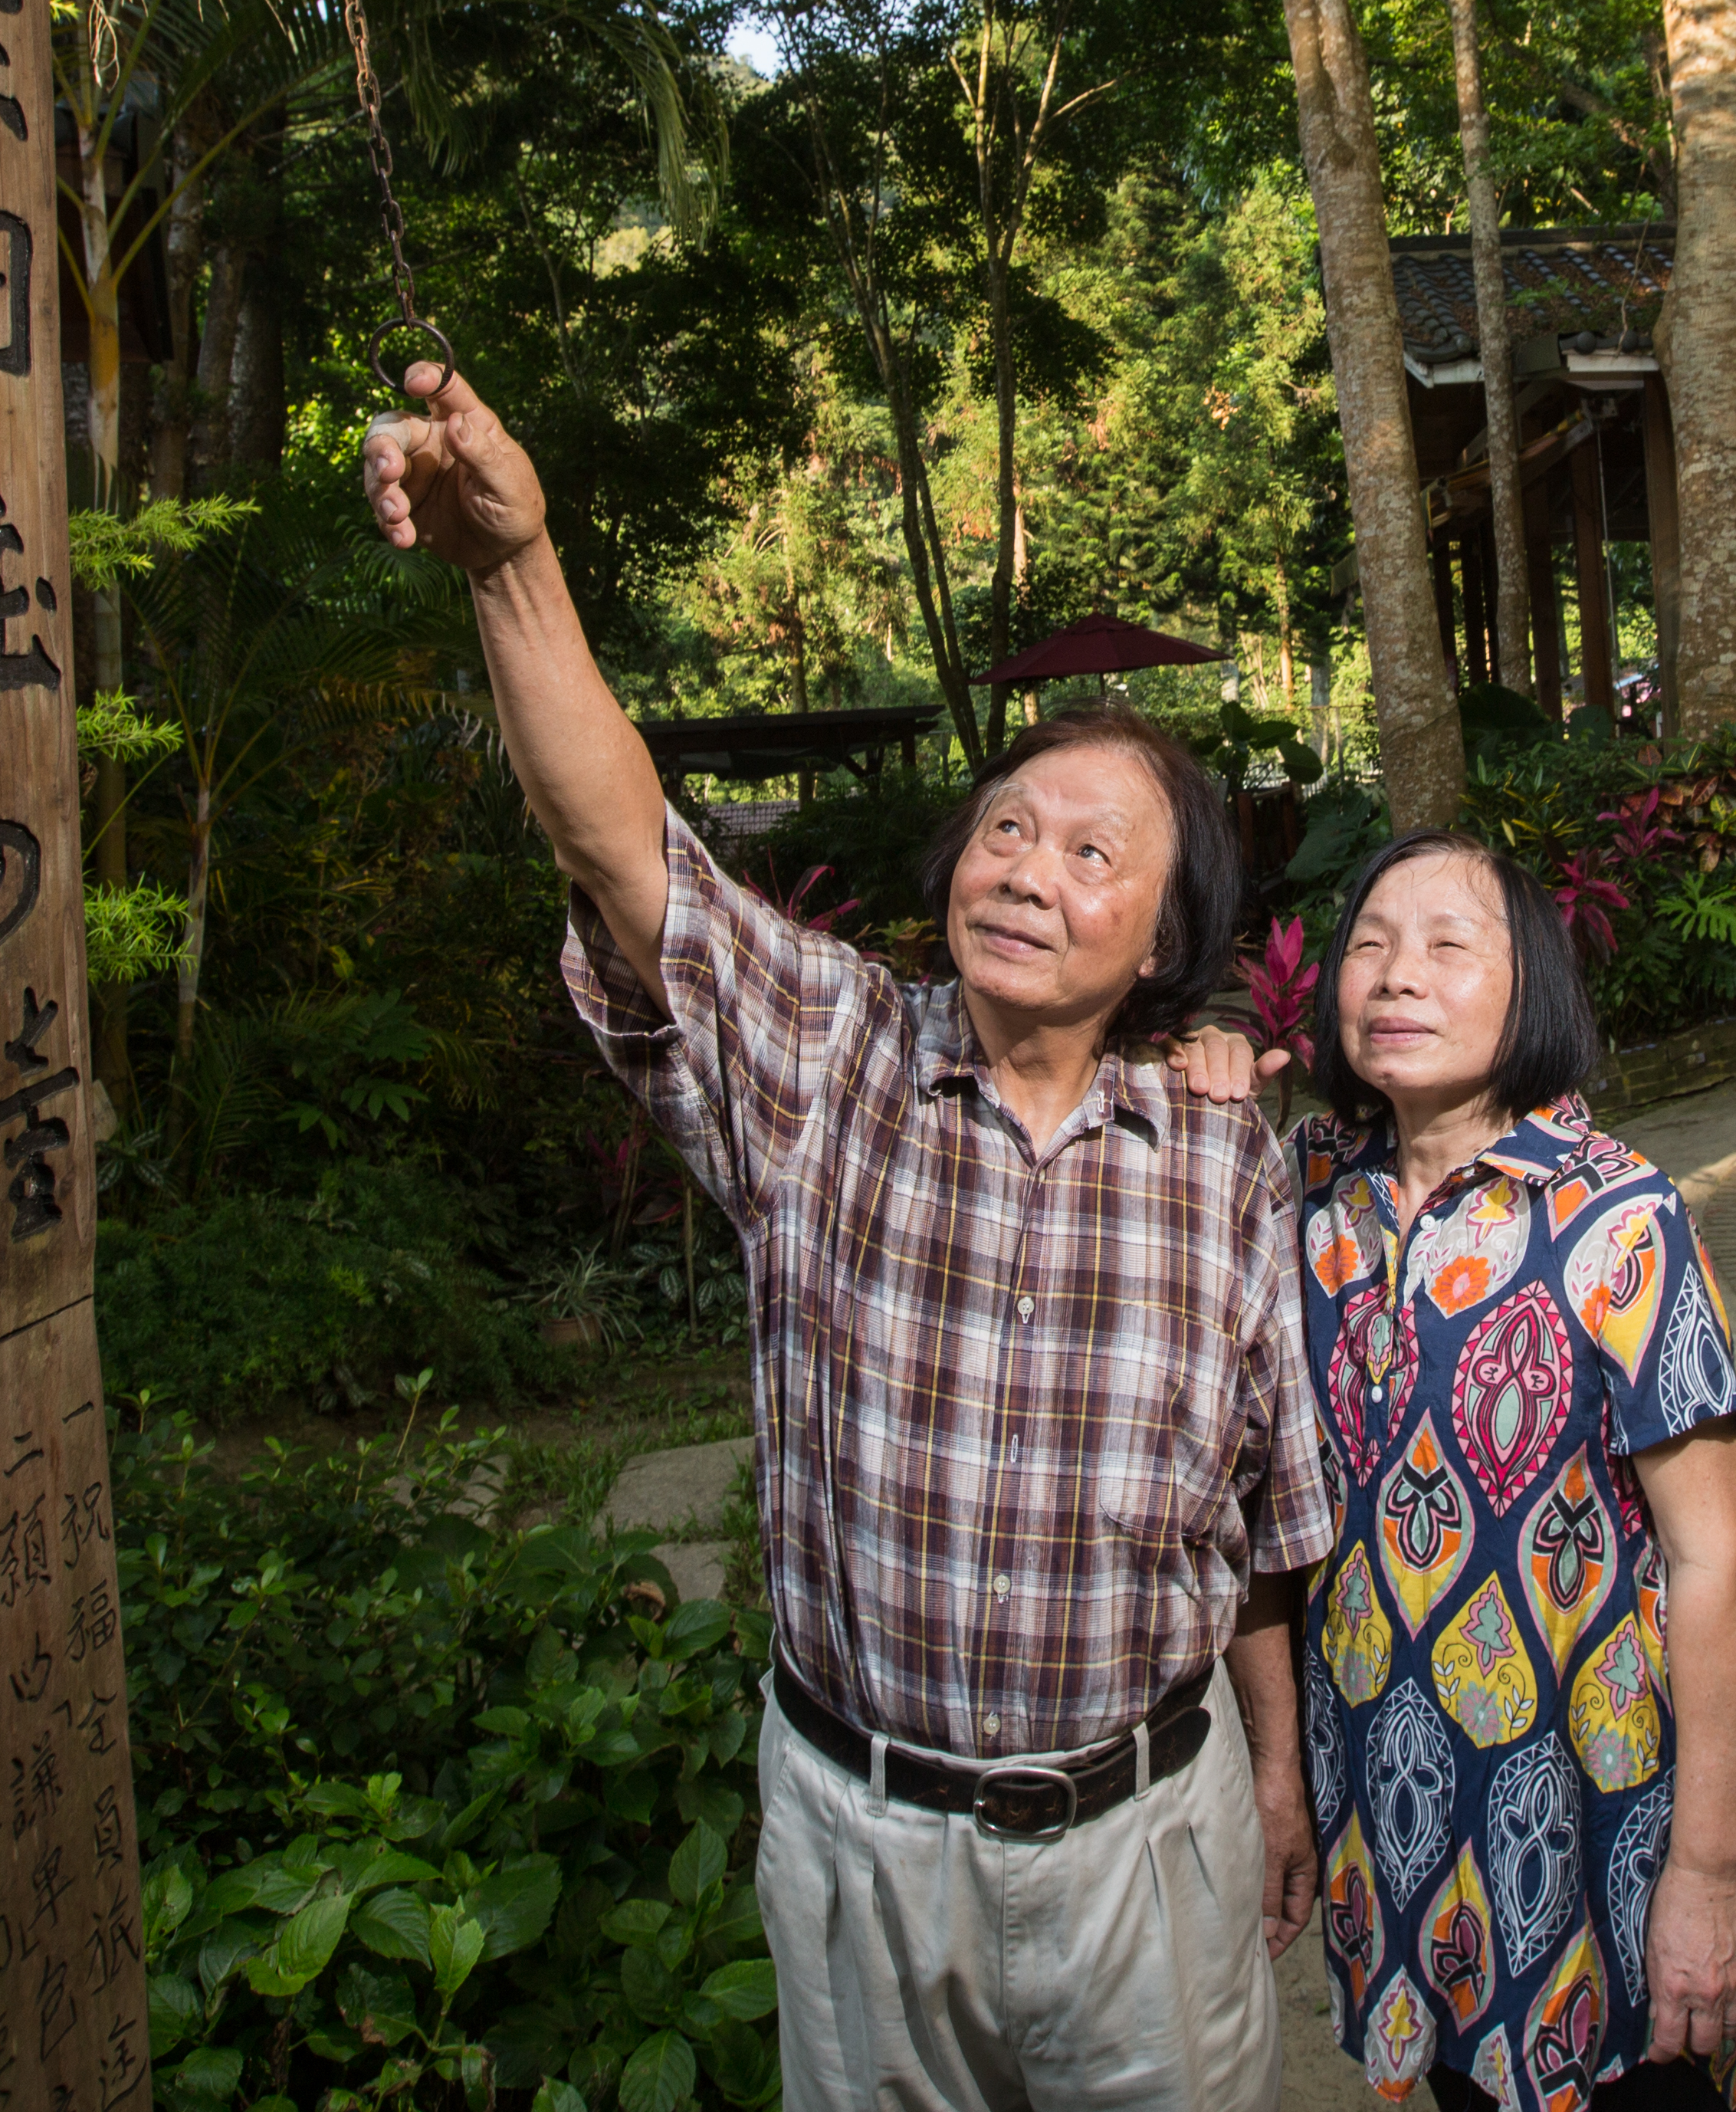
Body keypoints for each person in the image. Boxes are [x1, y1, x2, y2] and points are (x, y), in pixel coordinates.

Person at [361, 366, 1334, 2112]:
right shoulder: (833, 1060)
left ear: (1164, 935)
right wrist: (513, 566)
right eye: (1007, 827)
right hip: (865, 1849)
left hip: (1147, 1847)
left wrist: (1279, 1769)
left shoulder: (1222, 1159)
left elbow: (1261, 1523)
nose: (1026, 868)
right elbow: (622, 847)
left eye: (1091, 852)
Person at [1295, 830, 1736, 2110]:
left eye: (1449, 946)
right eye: (1370, 946)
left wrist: (1710, 1873)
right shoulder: (1315, 1195)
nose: (1397, 975)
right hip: (1394, 1831)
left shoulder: (1621, 1218)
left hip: (1588, 1829)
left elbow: (1715, 1556)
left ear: (1531, 988)